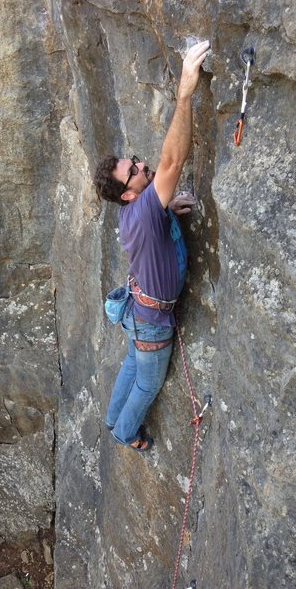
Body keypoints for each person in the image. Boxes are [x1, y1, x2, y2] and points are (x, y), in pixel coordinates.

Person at [94, 41, 210, 452]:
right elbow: (173, 162)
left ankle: (110, 419)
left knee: (130, 363)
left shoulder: (141, 212)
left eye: (136, 161)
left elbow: (157, 196)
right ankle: (125, 432)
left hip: (137, 311)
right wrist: (185, 93)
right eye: (135, 170)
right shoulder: (142, 211)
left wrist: (168, 214)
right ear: (127, 195)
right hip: (150, 322)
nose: (143, 165)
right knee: (147, 382)